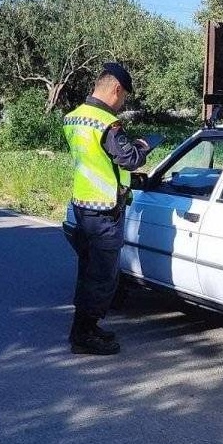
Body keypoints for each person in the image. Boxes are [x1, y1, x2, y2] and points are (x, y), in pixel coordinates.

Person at [63, 62, 151, 355]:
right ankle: (84, 336)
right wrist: (142, 145)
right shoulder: (106, 123)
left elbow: (96, 162)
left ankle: (84, 328)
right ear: (116, 89)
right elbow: (128, 159)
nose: (122, 102)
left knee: (87, 271)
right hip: (104, 211)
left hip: (82, 205)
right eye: (124, 96)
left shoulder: (74, 118)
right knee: (101, 275)